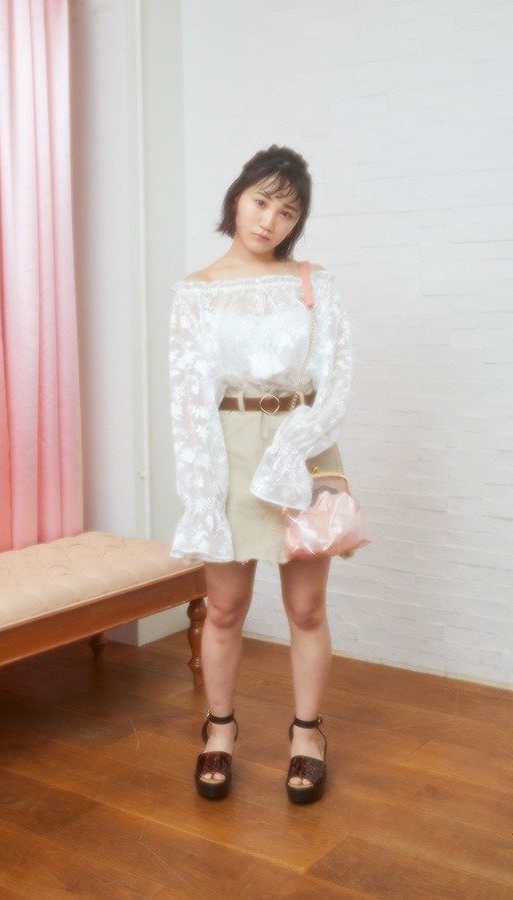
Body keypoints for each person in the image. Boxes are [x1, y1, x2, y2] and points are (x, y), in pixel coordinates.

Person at [169, 145, 352, 803]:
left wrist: (289, 450)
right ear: (237, 198)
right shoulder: (196, 290)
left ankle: (307, 735)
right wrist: (201, 491)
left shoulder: (314, 282)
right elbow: (188, 399)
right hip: (227, 447)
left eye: (287, 211)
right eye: (261, 201)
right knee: (224, 607)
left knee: (306, 607)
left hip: (305, 442)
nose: (270, 220)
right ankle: (219, 729)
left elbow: (336, 382)